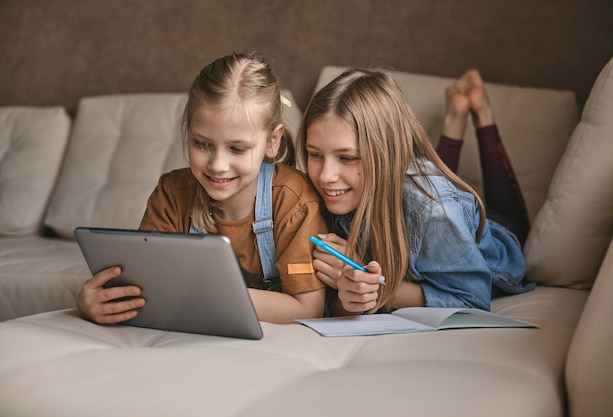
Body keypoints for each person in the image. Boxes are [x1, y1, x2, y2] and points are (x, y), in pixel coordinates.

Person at [77, 52, 327, 324]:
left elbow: (306, 309)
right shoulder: (172, 194)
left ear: (272, 141)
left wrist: (201, 294)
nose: (218, 165)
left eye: (237, 148)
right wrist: (94, 302)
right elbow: (146, 288)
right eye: (203, 144)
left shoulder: (294, 200)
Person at [298, 67, 534, 316]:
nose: (325, 176)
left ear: (385, 154)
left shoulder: (436, 210)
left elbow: (472, 301)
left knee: (496, 217)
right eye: (315, 154)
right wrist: (352, 294)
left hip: (494, 236)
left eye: (347, 157)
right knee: (431, 183)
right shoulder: (314, 194)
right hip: (423, 200)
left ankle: (480, 114)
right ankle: (455, 119)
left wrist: (375, 285)